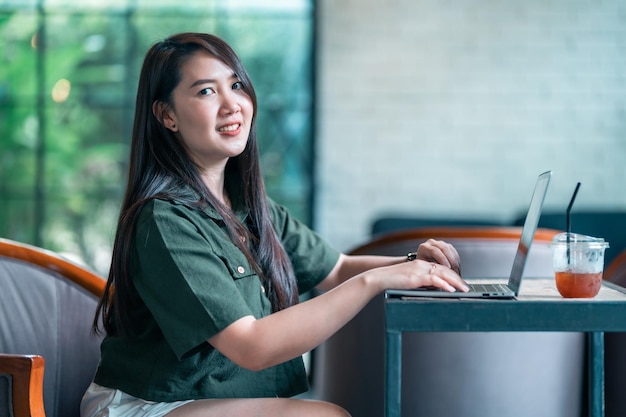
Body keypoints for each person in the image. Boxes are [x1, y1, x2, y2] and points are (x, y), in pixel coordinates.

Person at [80, 32, 468, 417]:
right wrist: (377, 281)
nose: (232, 104)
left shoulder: (251, 207)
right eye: (205, 92)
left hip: (215, 401)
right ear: (167, 116)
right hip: (149, 405)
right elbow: (252, 345)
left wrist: (414, 266)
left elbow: (336, 269)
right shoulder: (163, 222)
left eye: (235, 85)